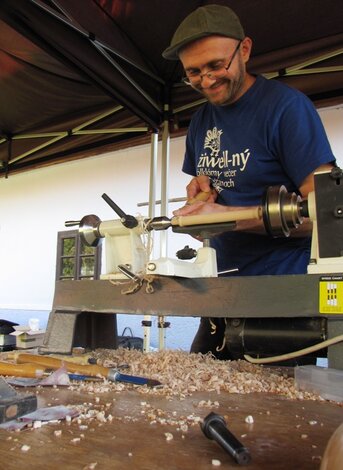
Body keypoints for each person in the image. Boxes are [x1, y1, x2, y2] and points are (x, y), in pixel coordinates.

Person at [162, 4, 336, 359]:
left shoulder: (287, 109)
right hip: (221, 289)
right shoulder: (200, 121)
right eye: (193, 73)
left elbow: (330, 213)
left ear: (244, 50)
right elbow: (208, 183)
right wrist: (201, 202)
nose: (206, 81)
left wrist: (223, 218)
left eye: (215, 65)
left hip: (280, 295)